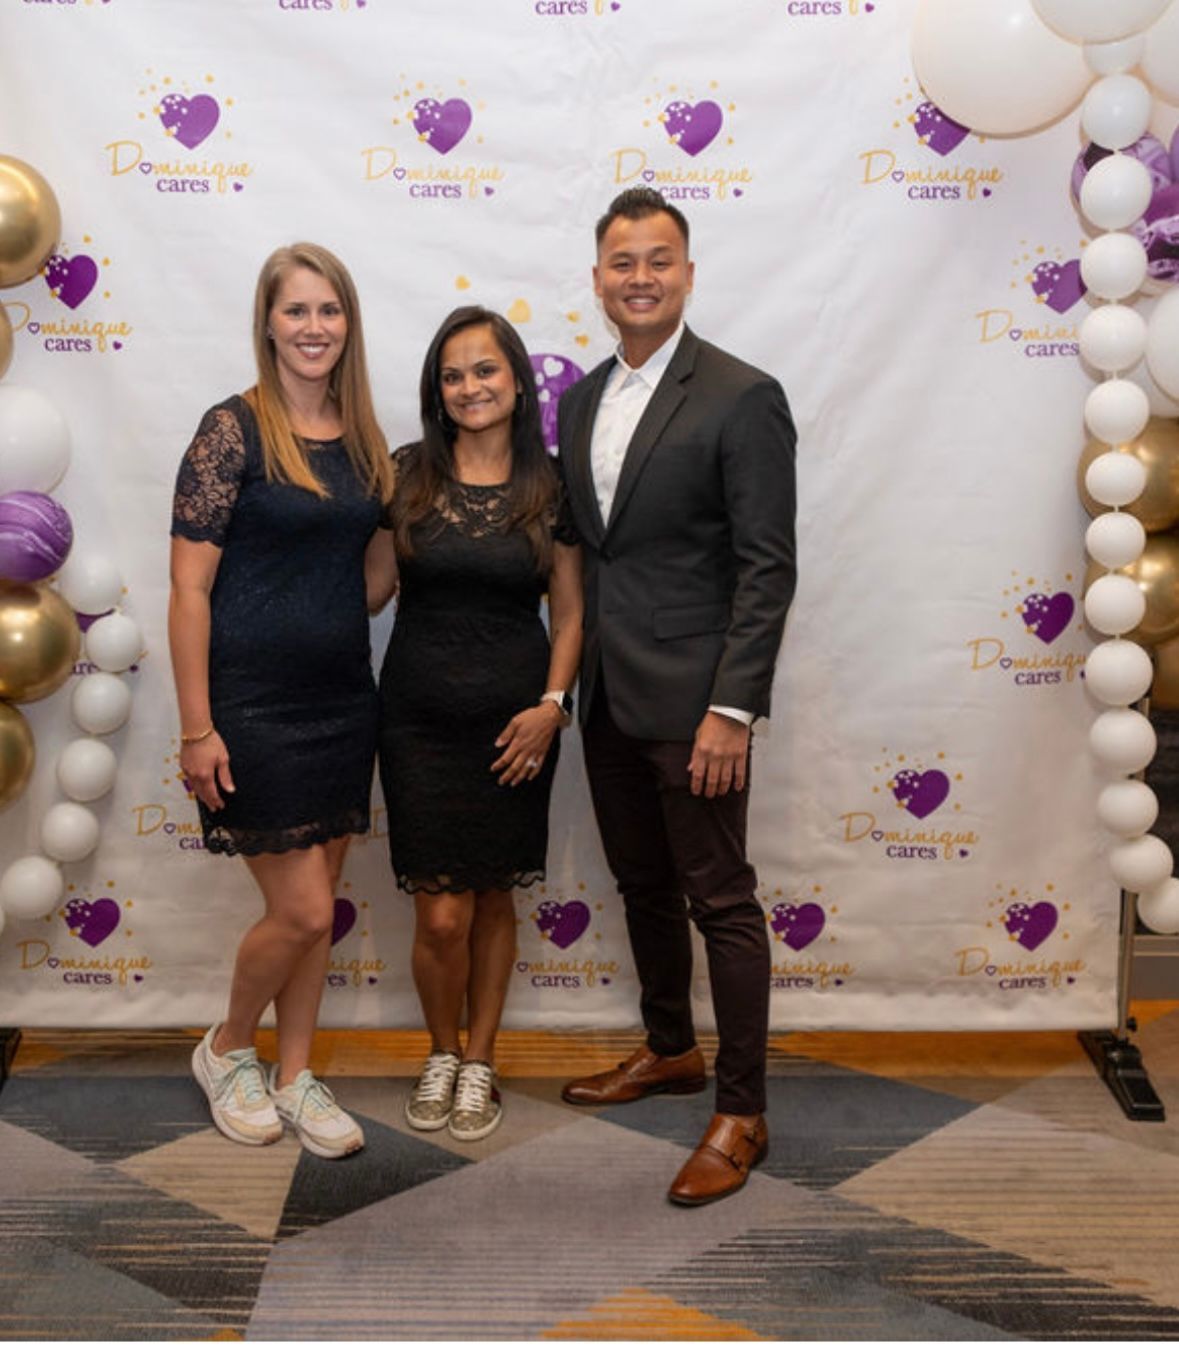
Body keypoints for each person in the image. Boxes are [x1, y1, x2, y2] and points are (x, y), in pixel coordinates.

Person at [556, 188, 797, 1206]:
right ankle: (669, 1049)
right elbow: (588, 548)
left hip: (699, 707)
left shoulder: (743, 395)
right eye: (622, 260)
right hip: (608, 697)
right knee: (642, 887)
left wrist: (732, 708)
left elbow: (767, 565)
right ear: (598, 277)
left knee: (722, 901)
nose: (640, 276)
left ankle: (743, 1108)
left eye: (660, 258)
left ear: (688, 274)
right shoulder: (576, 400)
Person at [169, 242, 394, 1159]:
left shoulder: (365, 437)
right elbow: (188, 590)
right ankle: (227, 1047)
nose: (313, 328)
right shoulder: (232, 429)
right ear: (267, 323)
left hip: (345, 698)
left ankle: (295, 1073)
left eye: (328, 310)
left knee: (324, 905)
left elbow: (371, 578)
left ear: (349, 324)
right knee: (298, 909)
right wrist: (196, 725)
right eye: (296, 311)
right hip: (251, 707)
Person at [375, 305, 583, 1143]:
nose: (469, 387)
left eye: (485, 370)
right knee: (440, 915)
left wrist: (551, 708)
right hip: (416, 719)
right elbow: (369, 590)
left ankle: (482, 1059)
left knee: (495, 898)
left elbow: (568, 617)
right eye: (452, 374)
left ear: (516, 382)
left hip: (515, 726)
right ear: (437, 389)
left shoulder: (549, 486)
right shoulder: (406, 473)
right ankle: (440, 1050)